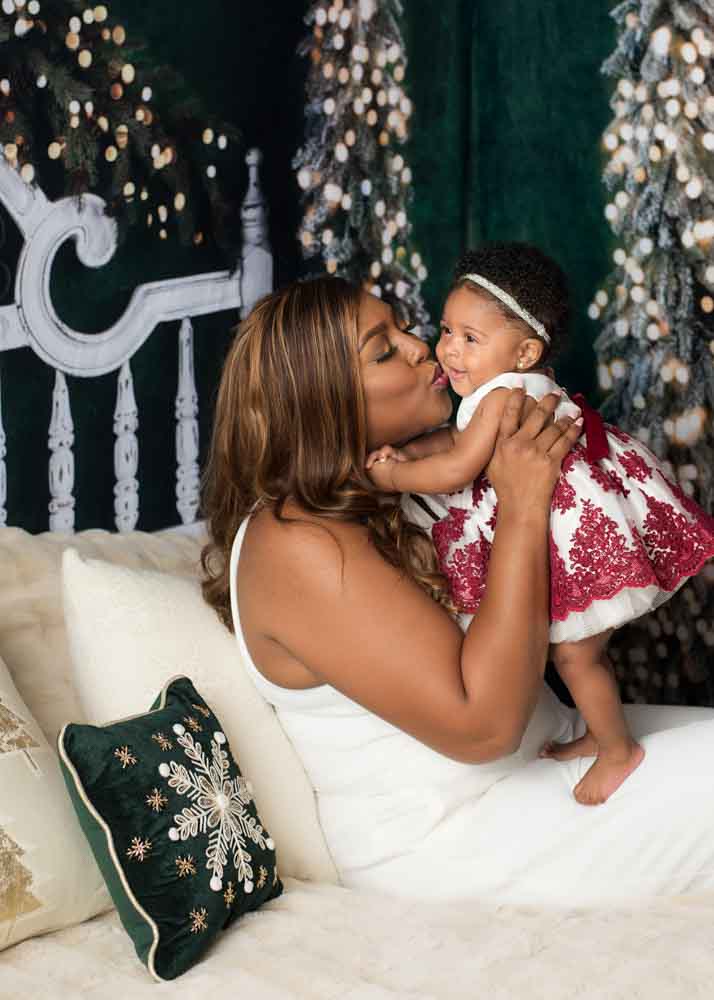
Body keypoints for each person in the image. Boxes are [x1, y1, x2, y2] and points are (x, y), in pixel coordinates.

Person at [200, 274, 714, 906]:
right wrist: (524, 501)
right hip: (455, 835)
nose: (420, 346)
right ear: (321, 403)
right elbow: (484, 729)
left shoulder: (396, 484)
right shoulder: (296, 542)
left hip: (547, 750)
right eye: (383, 350)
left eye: (402, 327)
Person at [366, 244, 714, 806]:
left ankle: (618, 750)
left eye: (470, 339)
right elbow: (455, 439)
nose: (448, 349)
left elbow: (457, 466)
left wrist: (392, 476)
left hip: (577, 542)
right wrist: (410, 452)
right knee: (572, 654)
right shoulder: (513, 386)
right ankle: (600, 733)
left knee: (576, 656)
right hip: (575, 533)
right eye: (447, 330)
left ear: (525, 351)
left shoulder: (502, 396)